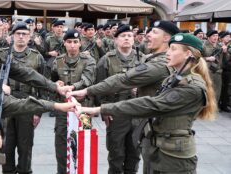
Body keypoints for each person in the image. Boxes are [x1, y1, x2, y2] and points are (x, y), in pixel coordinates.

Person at [74, 33, 217, 174]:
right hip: (157, 149)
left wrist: (101, 109)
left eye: (173, 49)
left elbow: (152, 104)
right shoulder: (173, 78)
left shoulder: (192, 87)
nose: (168, 52)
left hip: (175, 157)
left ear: (188, 55)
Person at [96, 24, 144, 174]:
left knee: (135, 152)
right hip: (116, 111)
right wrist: (104, 109)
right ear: (115, 40)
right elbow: (100, 86)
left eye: (129, 36)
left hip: (137, 110)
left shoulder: (143, 59)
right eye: (123, 36)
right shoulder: (106, 60)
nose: (127, 38)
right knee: (116, 152)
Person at [2, 22, 46, 174]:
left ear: (30, 37)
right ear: (12, 36)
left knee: (25, 145)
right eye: (18, 33)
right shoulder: (3, 55)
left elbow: (42, 85)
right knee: (6, 145)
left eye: (24, 34)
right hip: (6, 104)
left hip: (28, 103)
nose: (21, 37)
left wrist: (38, 111)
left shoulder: (37, 57)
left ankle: (25, 171)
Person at [51, 29, 96, 174]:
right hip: (63, 110)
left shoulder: (89, 60)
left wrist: (72, 87)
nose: (72, 45)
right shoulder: (57, 62)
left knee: (84, 143)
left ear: (80, 43)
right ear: (64, 43)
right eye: (69, 42)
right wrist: (56, 84)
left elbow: (88, 80)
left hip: (84, 111)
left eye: (75, 42)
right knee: (61, 145)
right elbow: (51, 82)